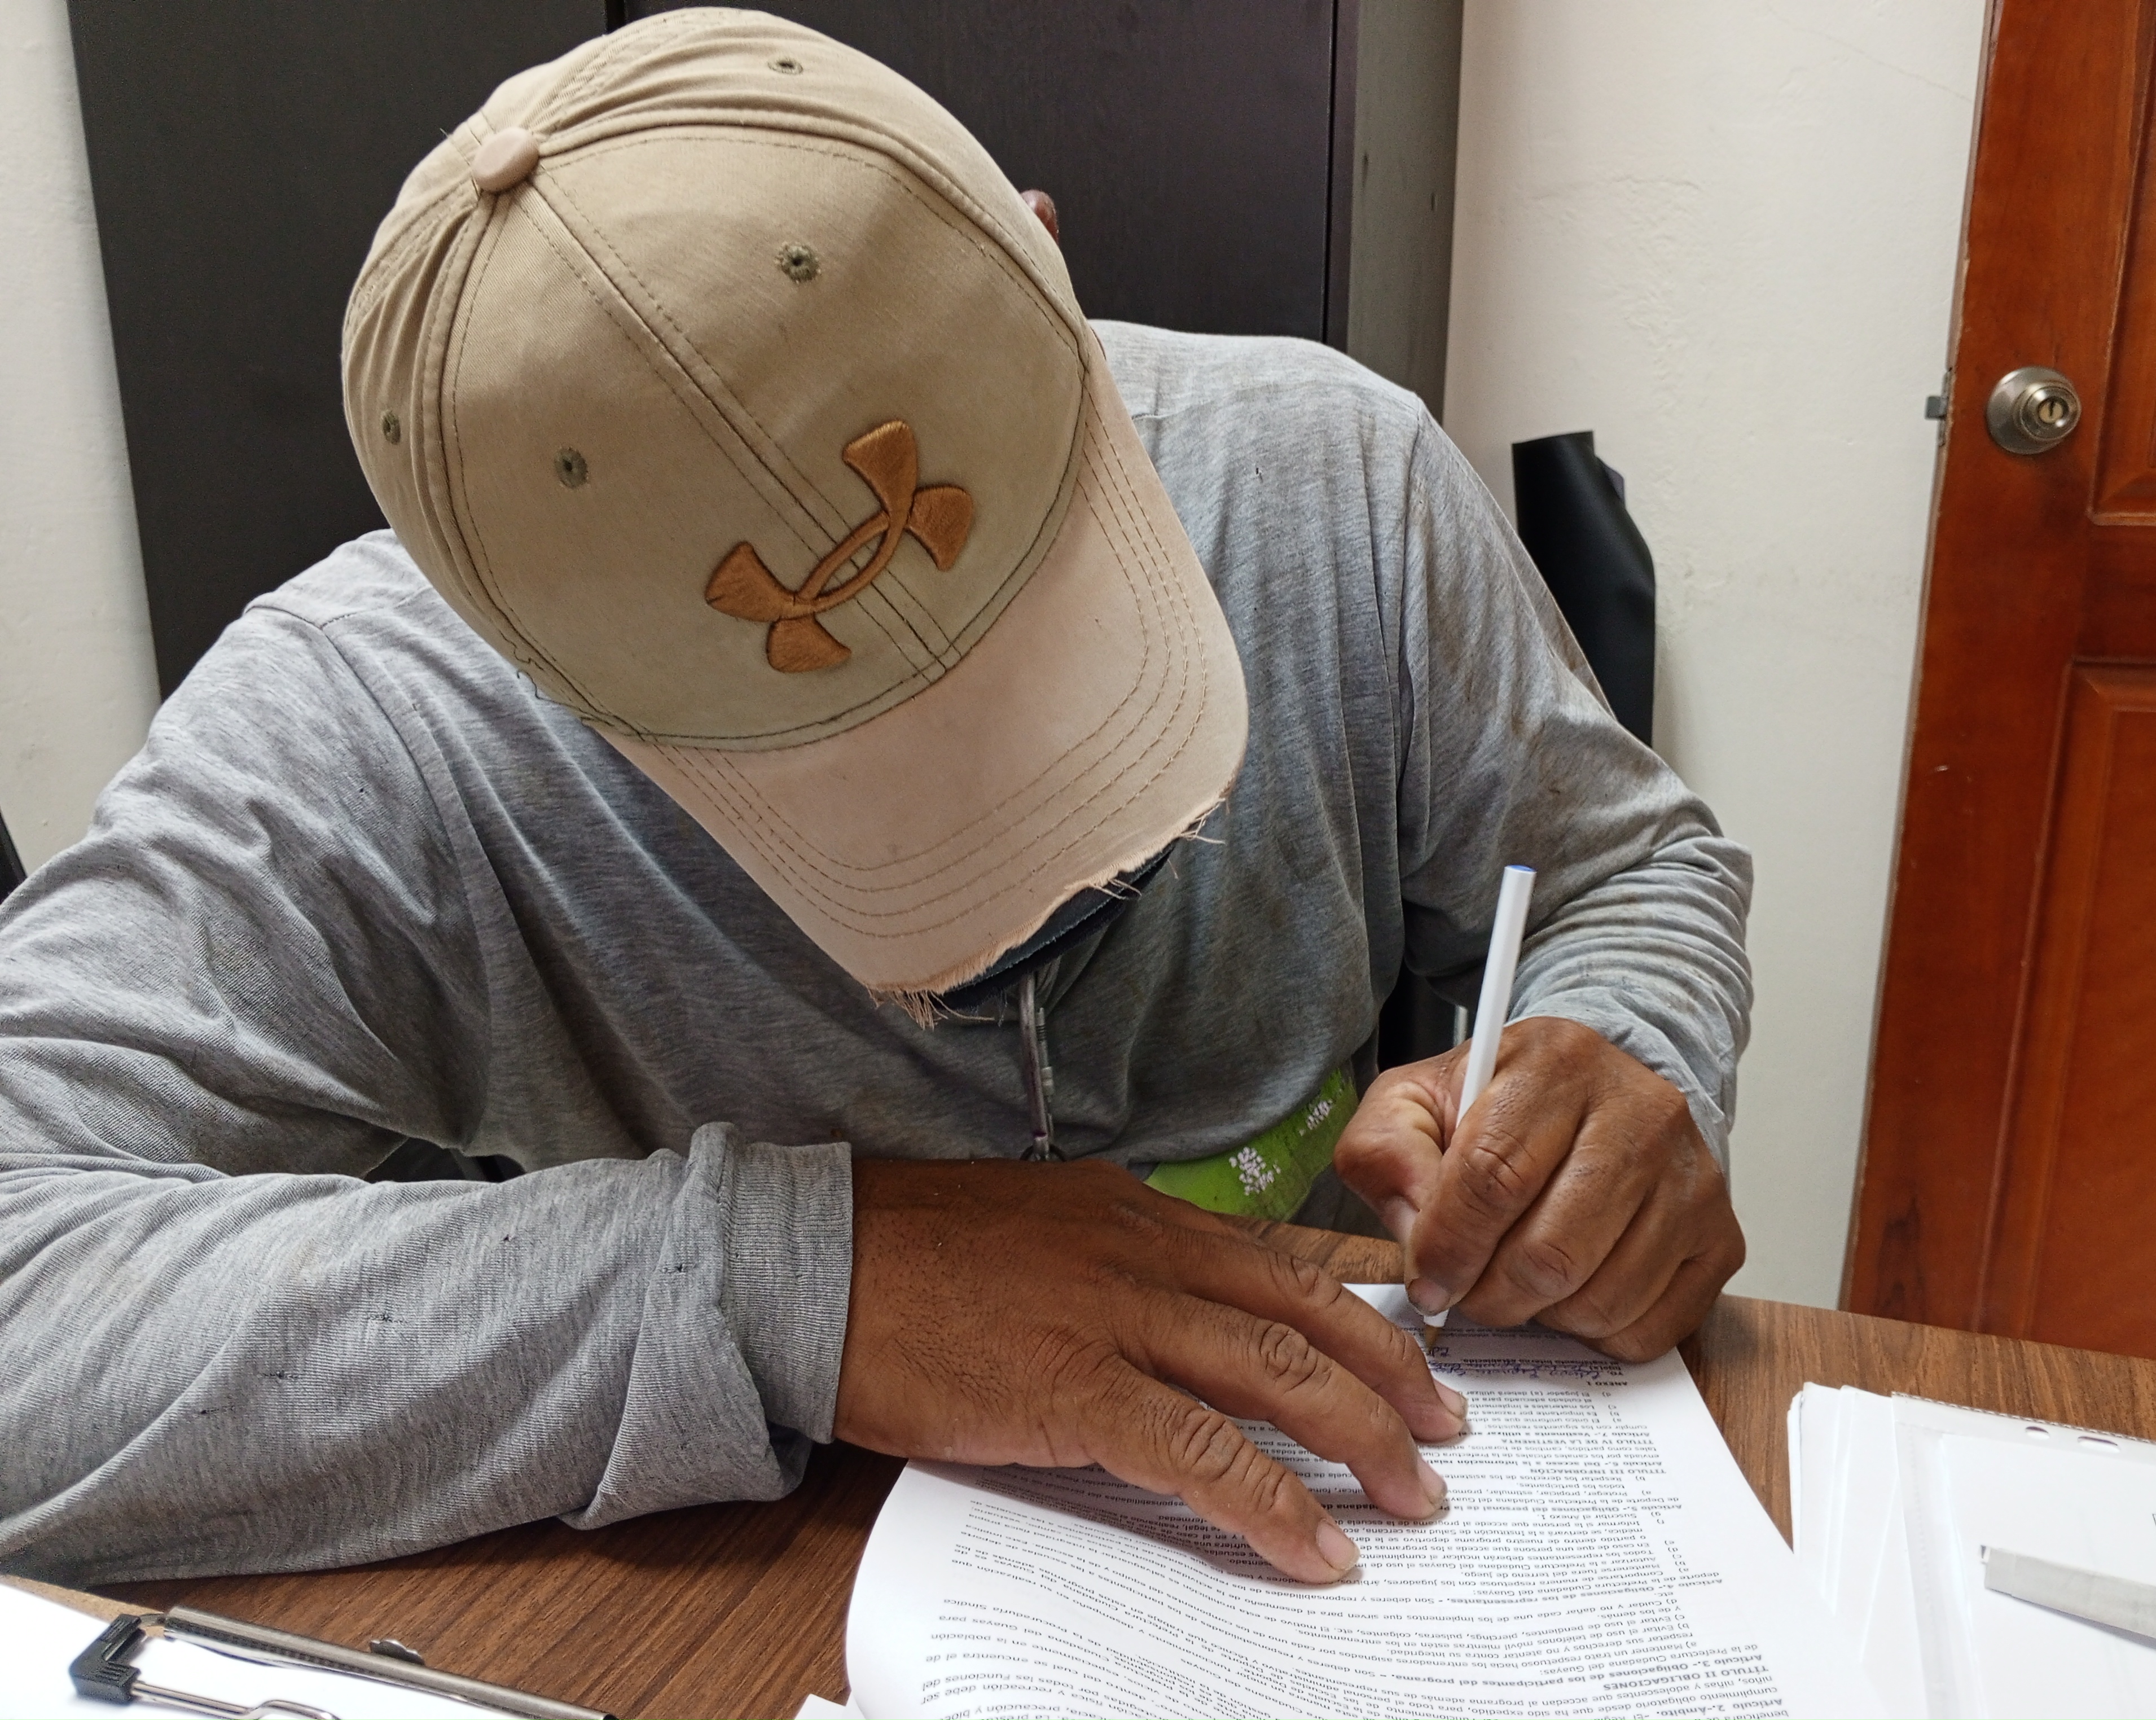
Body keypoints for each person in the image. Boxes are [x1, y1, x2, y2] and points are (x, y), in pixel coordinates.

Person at [0, 10, 1749, 1590]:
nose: (1038, 853)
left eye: (1051, 621)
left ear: (1037, 256)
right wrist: (800, 1288)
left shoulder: (1336, 482)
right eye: (832, 770)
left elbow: (1629, 869)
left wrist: (1619, 1063)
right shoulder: (370, 723)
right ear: (513, 646)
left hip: (1367, 1518)